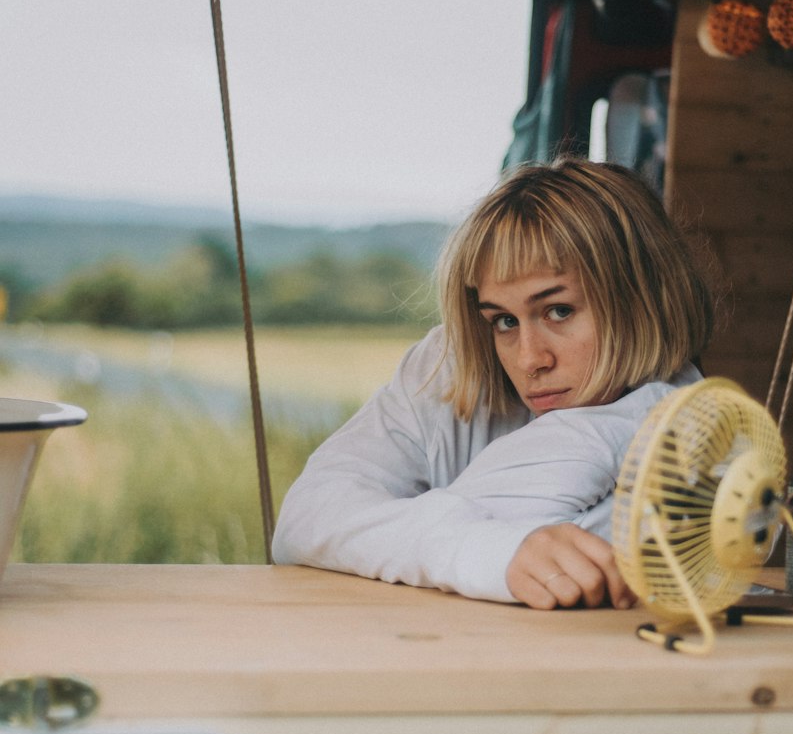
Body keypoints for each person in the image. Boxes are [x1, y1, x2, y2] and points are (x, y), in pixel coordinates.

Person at [272, 158, 714, 609]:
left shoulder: (697, 442)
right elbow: (304, 521)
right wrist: (488, 550)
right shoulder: (452, 366)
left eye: (558, 311)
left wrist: (395, 536)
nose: (529, 359)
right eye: (503, 320)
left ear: (642, 299)